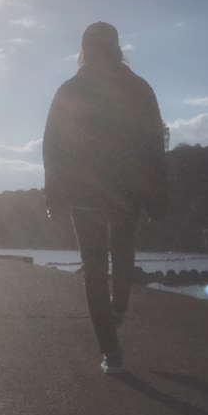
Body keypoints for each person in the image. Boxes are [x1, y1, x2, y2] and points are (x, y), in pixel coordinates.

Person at [43, 21, 167, 374]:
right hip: (128, 188)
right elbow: (154, 142)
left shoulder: (71, 88)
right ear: (117, 48)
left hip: (83, 190)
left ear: (84, 49)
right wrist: (157, 193)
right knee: (123, 251)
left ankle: (110, 352)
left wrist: (54, 194)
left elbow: (52, 146)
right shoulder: (139, 88)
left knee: (94, 266)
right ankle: (119, 309)